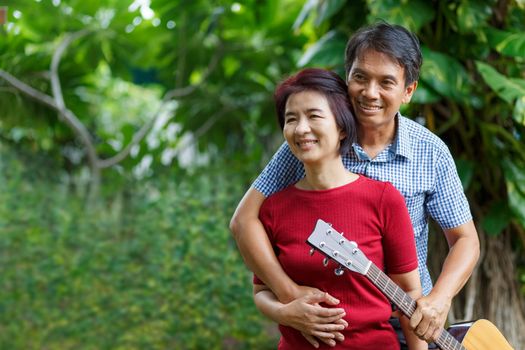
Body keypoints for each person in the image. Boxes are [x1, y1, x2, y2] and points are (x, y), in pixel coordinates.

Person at [230, 22, 480, 349]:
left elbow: (465, 240)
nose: (370, 93)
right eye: (360, 77)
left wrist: (440, 298)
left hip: (409, 316)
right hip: (334, 322)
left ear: (408, 91)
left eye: (386, 82)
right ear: (347, 77)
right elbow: (244, 221)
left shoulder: (429, 152)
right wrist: (289, 295)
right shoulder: (313, 141)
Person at [252, 67, 426, 350]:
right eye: (291, 119)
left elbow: (409, 293)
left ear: (342, 127)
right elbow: (261, 291)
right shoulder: (273, 208)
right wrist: (286, 313)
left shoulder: (382, 198)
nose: (301, 128)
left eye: (314, 116)